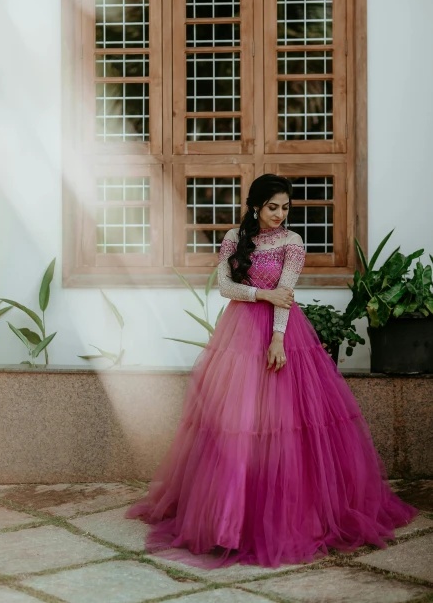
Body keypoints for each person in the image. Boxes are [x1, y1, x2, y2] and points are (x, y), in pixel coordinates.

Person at [126, 174, 418, 568]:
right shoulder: (234, 237)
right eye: (273, 207)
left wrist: (278, 339)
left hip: (283, 332)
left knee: (287, 423)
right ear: (256, 206)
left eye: (285, 208)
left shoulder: (292, 242)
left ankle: (295, 517)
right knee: (236, 422)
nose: (280, 215)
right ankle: (228, 520)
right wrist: (260, 293)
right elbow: (226, 287)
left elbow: (287, 292)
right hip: (240, 331)